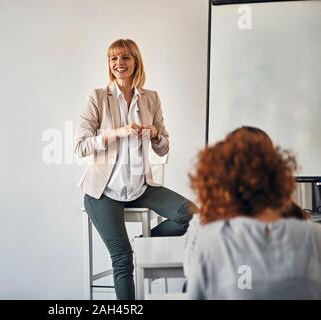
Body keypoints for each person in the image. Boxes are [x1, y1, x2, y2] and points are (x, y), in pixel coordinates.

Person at [74, 39, 198, 300]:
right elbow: (80, 147)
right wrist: (115, 133)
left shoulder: (150, 98)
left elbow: (164, 148)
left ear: (136, 62)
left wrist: (155, 135)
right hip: (103, 192)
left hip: (141, 187)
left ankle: (142, 244)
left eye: (126, 57)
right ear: (109, 64)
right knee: (122, 261)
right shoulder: (97, 97)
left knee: (192, 215)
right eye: (114, 59)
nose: (120, 63)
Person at [186, 126, 321, 299]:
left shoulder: (211, 239)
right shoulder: (314, 236)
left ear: (222, 177)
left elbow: (193, 283)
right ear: (277, 174)